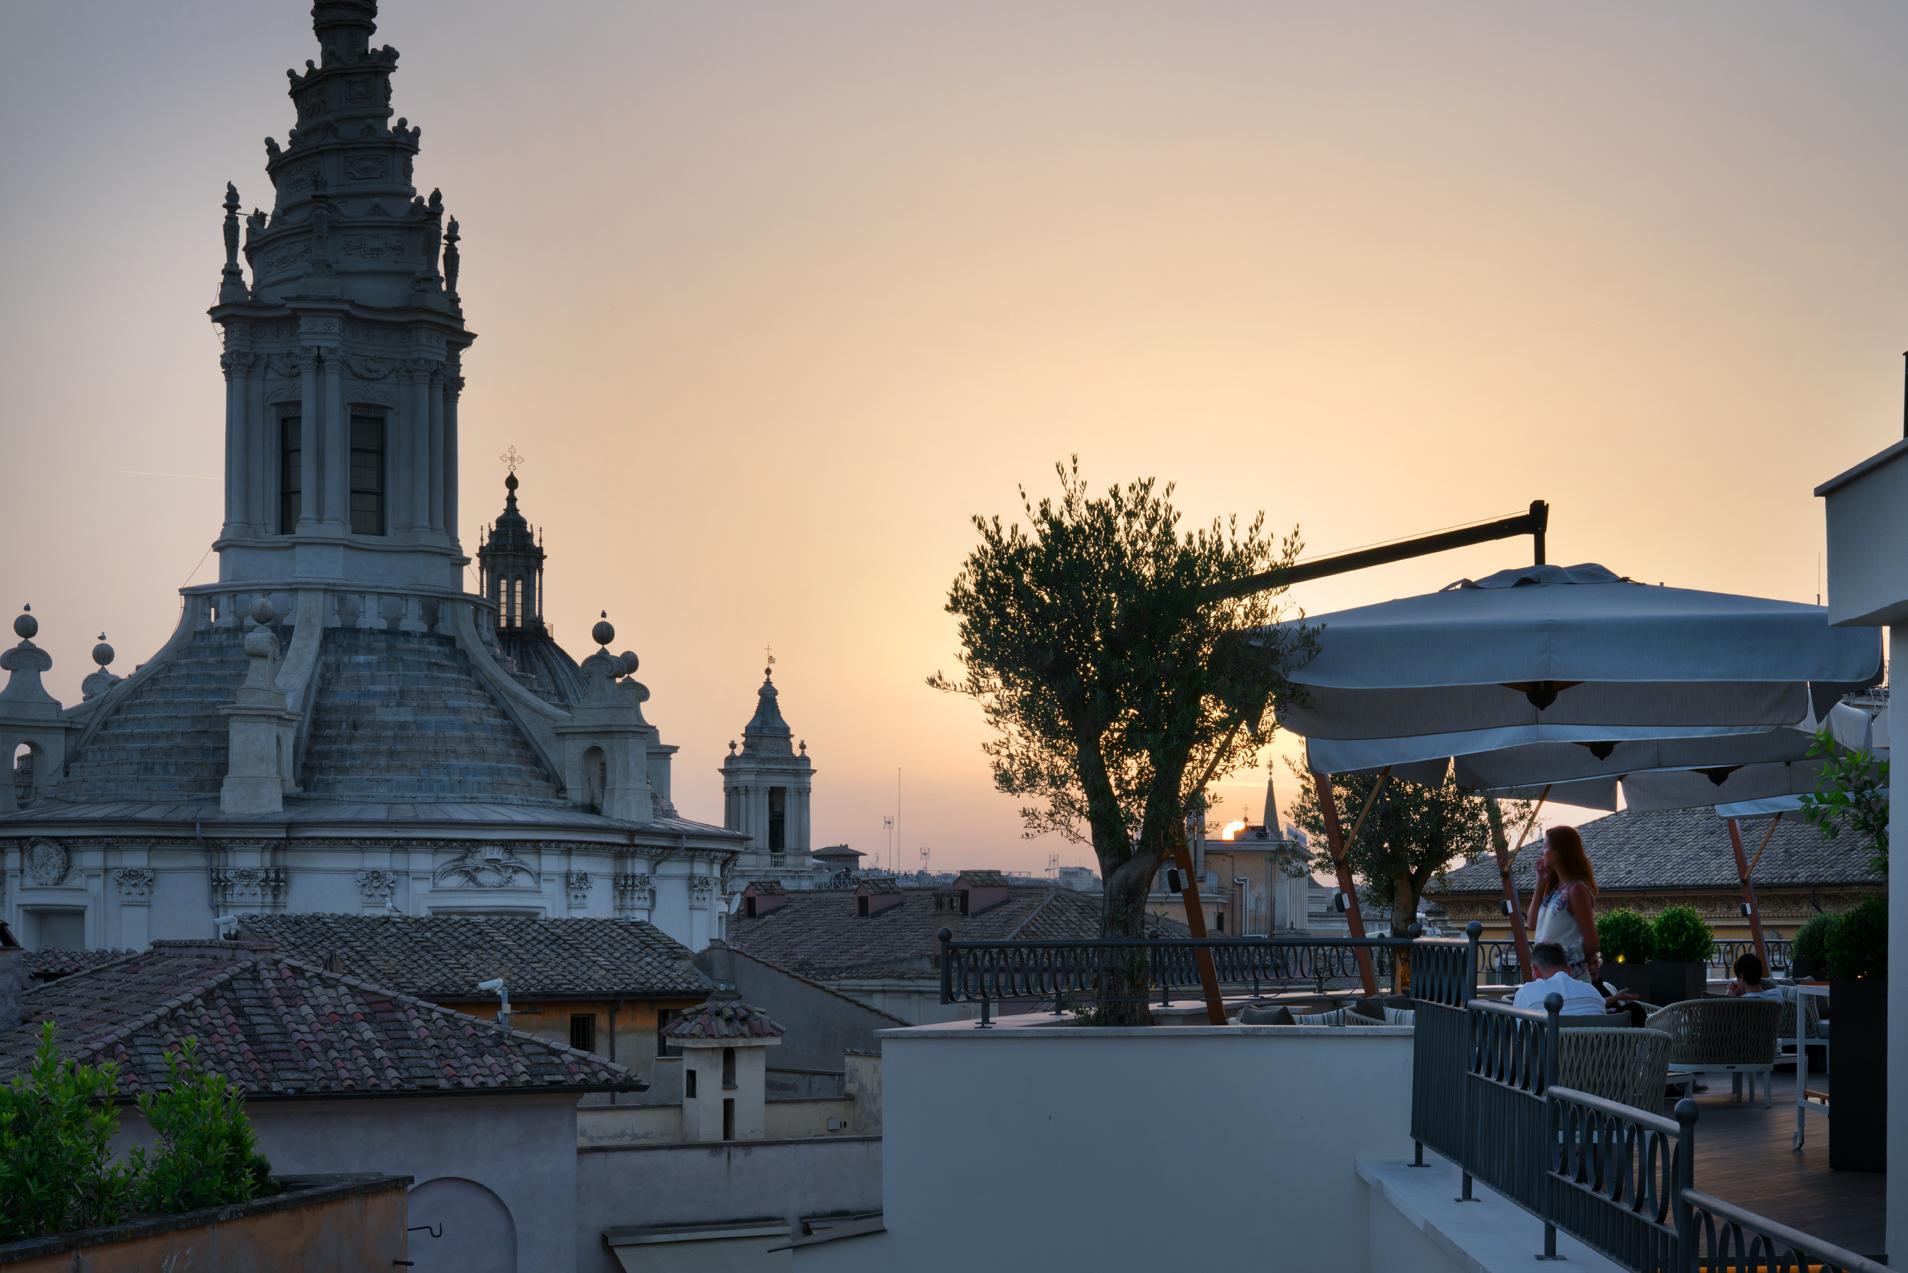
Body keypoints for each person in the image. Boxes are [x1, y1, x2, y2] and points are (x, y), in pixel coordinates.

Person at [1526, 825, 1600, 980]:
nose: (1542, 852)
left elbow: (1591, 941)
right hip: (1547, 976)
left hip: (1568, 977)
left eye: (1545, 846)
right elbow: (1532, 923)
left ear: (1560, 852)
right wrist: (1540, 883)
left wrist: (1571, 967)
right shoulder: (1554, 891)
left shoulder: (1576, 889)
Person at [1512, 942, 1611, 1016]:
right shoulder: (1593, 993)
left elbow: (1518, 1037)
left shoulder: (1526, 993)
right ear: (1568, 970)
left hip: (1549, 1044)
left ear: (1536, 970)